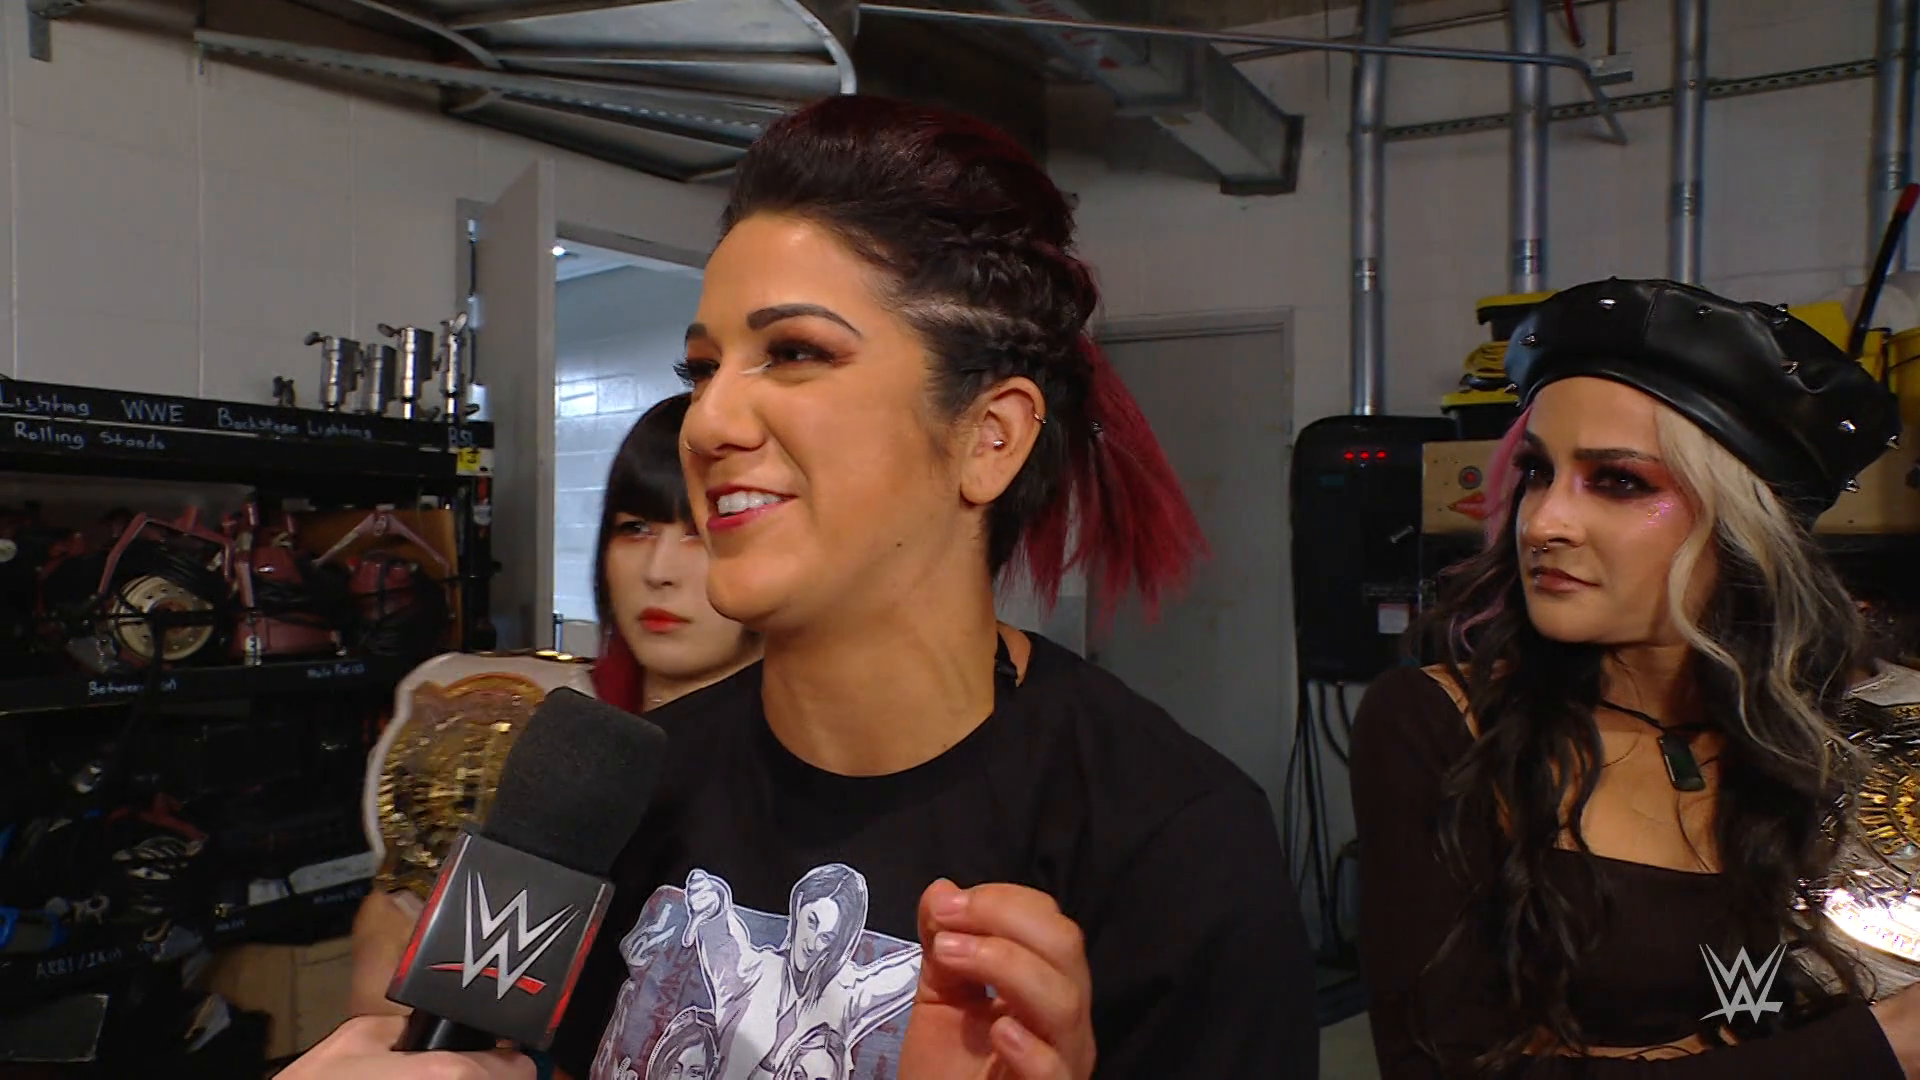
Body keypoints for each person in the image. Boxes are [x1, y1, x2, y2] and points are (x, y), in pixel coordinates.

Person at [285, 94, 1314, 1080]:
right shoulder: (625, 794)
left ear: (988, 439)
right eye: (702, 368)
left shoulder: (1173, 842)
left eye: (794, 353)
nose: (706, 423)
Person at [1351, 277, 1920, 1078]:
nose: (1544, 522)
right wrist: (1880, 1046)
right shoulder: (1439, 725)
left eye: (1619, 481)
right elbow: (1441, 1068)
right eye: (1538, 472)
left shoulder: (1852, 733)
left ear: (1744, 523)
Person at [347, 393, 761, 1018]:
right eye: (635, 528)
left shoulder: (832, 768)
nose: (659, 570)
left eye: (701, 534)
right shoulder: (515, 729)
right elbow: (401, 1015)